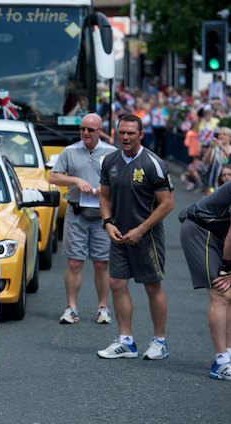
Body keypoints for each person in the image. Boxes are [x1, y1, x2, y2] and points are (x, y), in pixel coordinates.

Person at [97, 114, 174, 360]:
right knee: (117, 284)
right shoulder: (109, 161)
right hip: (119, 233)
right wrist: (108, 223)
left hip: (146, 237)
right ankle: (126, 341)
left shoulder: (154, 163)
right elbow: (105, 196)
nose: (126, 137)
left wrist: (140, 230)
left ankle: (160, 342)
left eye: (131, 133)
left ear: (141, 135)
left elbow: (167, 203)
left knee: (152, 287)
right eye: (122, 133)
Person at [49, 113, 117, 325]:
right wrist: (76, 180)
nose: (85, 133)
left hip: (103, 216)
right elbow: (53, 176)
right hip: (76, 212)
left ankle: (103, 308)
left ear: (100, 131)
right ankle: (71, 308)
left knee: (101, 263)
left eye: (90, 130)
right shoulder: (70, 151)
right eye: (82, 129)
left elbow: (121, 180)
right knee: (75, 262)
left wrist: (104, 190)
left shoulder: (112, 152)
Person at [179, 178, 231, 380]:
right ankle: (220, 362)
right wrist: (227, 268)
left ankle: (228, 355)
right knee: (221, 293)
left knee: (230, 295)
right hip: (200, 231)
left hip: (218, 234)